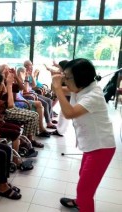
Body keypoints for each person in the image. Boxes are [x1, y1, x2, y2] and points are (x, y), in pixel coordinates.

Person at [52, 58, 116, 212]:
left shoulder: (93, 96)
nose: (65, 80)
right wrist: (59, 85)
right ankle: (79, 200)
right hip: (92, 145)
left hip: (101, 148)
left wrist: (59, 89)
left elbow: (69, 113)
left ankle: (83, 201)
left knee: (85, 189)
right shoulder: (82, 88)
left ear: (81, 78)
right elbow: (65, 90)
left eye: (68, 77)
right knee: (84, 177)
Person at [0, 72, 38, 162]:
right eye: (2, 83)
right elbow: (10, 105)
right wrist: (9, 85)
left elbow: (20, 88)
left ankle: (19, 149)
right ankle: (15, 159)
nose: (3, 84)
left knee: (17, 129)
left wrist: (12, 80)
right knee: (15, 133)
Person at [0, 64, 44, 148]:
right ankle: (24, 142)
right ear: (2, 72)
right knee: (33, 116)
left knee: (35, 115)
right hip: (5, 110)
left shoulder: (9, 80)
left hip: (12, 107)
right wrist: (8, 83)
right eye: (6, 70)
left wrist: (15, 76)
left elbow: (22, 88)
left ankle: (29, 139)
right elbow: (10, 105)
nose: (9, 71)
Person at [24, 60, 57, 129]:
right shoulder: (23, 74)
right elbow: (26, 90)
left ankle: (50, 119)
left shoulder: (29, 74)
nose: (31, 66)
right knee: (45, 103)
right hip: (28, 95)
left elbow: (33, 85)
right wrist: (28, 77)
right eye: (30, 65)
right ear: (26, 66)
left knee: (49, 100)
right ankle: (48, 123)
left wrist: (32, 75)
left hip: (33, 93)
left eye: (31, 65)